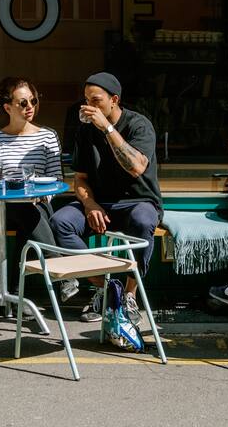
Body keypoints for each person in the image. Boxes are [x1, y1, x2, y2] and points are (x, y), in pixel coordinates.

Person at [50, 72, 163, 323]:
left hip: (138, 201)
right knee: (60, 222)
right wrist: (89, 204)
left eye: (96, 100)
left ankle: (131, 294)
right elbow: (80, 178)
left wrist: (108, 128)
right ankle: (107, 287)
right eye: (86, 100)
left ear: (114, 100)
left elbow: (136, 167)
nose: (89, 106)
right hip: (101, 203)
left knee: (144, 222)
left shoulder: (138, 125)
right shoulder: (85, 131)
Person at [0, 77, 63, 269]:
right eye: (23, 103)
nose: (30, 106)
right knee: (22, 208)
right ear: (8, 108)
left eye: (33, 101)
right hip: (3, 208)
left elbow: (57, 179)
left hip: (39, 204)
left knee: (28, 215)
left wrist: (43, 197)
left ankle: (13, 293)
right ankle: (57, 265)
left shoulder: (48, 137)